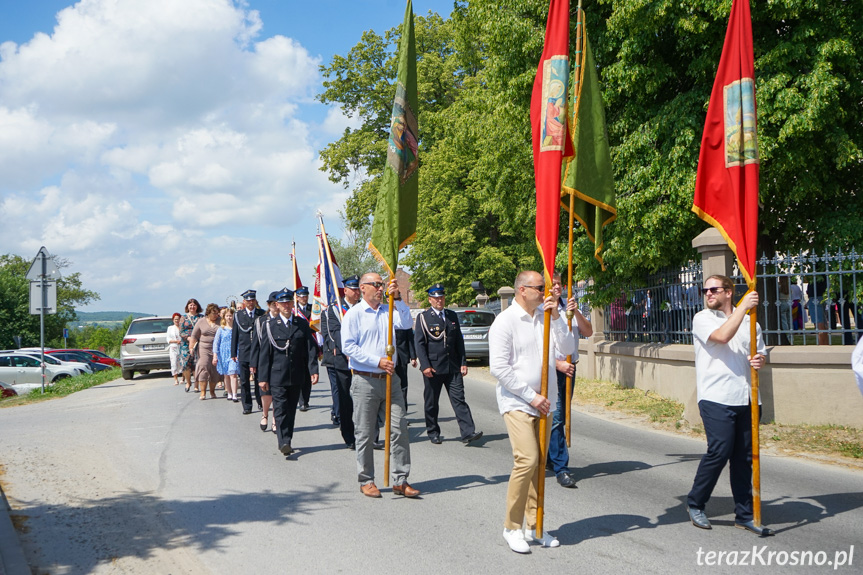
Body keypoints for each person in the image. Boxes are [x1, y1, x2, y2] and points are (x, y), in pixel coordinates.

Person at [489, 270, 576, 553]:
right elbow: (499, 368)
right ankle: (511, 527)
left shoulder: (547, 317)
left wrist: (559, 318)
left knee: (539, 464)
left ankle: (535, 524)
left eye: (547, 287)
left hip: (545, 402)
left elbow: (568, 350)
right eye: (541, 287)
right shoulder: (505, 321)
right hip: (517, 401)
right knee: (527, 459)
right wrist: (531, 396)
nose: (546, 291)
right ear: (522, 290)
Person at [686, 274, 771, 536]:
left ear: (729, 292)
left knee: (744, 458)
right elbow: (722, 337)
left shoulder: (750, 322)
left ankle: (745, 515)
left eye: (714, 289)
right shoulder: (703, 318)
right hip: (715, 397)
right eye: (705, 290)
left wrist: (759, 361)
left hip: (746, 397)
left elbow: (761, 354)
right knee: (719, 450)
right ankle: (695, 503)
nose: (708, 293)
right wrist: (744, 307)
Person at [341, 273, 419, 498]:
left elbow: (405, 324)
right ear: (362, 288)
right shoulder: (354, 314)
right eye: (375, 284)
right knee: (365, 432)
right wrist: (377, 361)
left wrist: (399, 299)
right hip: (365, 379)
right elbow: (349, 347)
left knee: (399, 427)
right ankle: (366, 480)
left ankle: (400, 479)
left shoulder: (388, 310)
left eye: (381, 285)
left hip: (390, 380)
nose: (379, 288)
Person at [414, 283, 483, 446]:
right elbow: (420, 344)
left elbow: (459, 341)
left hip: (452, 367)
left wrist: (463, 362)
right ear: (430, 300)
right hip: (433, 368)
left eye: (442, 297)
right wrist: (425, 366)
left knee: (459, 399)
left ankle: (468, 432)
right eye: (436, 298)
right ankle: (433, 431)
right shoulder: (423, 318)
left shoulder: (452, 315)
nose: (440, 301)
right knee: (431, 402)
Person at [258, 289, 320, 456]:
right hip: (277, 375)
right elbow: (264, 353)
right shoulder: (270, 326)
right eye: (282, 303)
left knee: (291, 409)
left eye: (288, 302)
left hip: (297, 374)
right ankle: (283, 441)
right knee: (280, 408)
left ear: (293, 304)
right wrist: (262, 377)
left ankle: (288, 438)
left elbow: (310, 349)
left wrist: (313, 369)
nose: (286, 306)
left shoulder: (301, 324)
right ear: (276, 305)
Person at [548, 272, 592, 488]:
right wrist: (557, 364)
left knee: (561, 417)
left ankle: (549, 456)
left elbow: (589, 332)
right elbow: (538, 346)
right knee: (556, 417)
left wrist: (575, 314)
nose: (557, 287)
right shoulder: (542, 310)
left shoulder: (570, 308)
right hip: (552, 368)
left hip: (570, 369)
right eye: (553, 284)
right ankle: (561, 468)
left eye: (559, 284)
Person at [321, 275, 361, 447]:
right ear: (346, 290)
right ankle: (349, 435)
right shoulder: (335, 309)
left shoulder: (364, 308)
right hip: (343, 360)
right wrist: (349, 350)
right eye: (354, 289)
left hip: (363, 360)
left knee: (366, 398)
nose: (357, 292)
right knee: (346, 400)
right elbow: (334, 333)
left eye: (359, 288)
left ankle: (371, 435)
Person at [231, 290, 265, 415]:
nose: (251, 303)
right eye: (248, 300)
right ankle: (247, 405)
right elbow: (235, 334)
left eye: (253, 300)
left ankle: (261, 402)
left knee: (259, 379)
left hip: (259, 352)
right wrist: (233, 352)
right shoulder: (238, 315)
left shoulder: (261, 314)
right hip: (244, 352)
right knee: (244, 381)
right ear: (244, 302)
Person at [252, 291, 280, 432]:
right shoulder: (261, 321)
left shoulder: (284, 320)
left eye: (277, 303)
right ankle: (265, 414)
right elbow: (256, 344)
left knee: (277, 391)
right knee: (265, 391)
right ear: (268, 305)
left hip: (279, 361)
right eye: (272, 304)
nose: (275, 306)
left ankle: (275, 418)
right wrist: (253, 363)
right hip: (264, 361)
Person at [190, 303, 222, 400]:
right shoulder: (201, 321)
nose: (216, 315)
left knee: (214, 370)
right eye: (214, 313)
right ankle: (203, 392)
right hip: (204, 348)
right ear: (208, 313)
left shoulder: (221, 321)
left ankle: (212, 391)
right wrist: (191, 347)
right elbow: (194, 336)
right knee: (203, 366)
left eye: (217, 313)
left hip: (217, 349)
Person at [293, 285, 315, 411]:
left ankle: (305, 400)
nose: (304, 298)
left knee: (307, 374)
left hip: (310, 343)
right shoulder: (294, 311)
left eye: (306, 296)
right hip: (298, 345)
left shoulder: (313, 309)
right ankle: (299, 399)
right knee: (298, 373)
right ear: (297, 297)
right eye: (301, 296)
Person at [213, 308, 239, 402]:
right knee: (226, 375)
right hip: (223, 354)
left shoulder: (237, 328)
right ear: (224, 317)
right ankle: (229, 393)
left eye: (231, 316)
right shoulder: (221, 329)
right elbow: (216, 343)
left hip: (234, 354)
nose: (229, 318)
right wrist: (215, 355)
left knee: (233, 373)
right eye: (227, 316)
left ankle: (235, 394)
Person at [179, 299, 203, 392]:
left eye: (194, 305)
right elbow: (181, 331)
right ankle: (188, 382)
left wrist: (196, 338)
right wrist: (188, 338)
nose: (192, 307)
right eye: (190, 305)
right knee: (186, 365)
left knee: (197, 364)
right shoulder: (183, 318)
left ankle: (196, 385)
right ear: (187, 307)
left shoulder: (201, 317)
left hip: (198, 343)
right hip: (186, 343)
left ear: (197, 306)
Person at [167, 313, 182, 386]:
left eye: (178, 319)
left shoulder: (182, 327)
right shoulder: (170, 328)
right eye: (175, 319)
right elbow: (168, 339)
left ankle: (183, 378)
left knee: (182, 363)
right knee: (174, 363)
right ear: (173, 320)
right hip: (173, 347)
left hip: (182, 347)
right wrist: (176, 341)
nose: (177, 321)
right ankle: (175, 379)